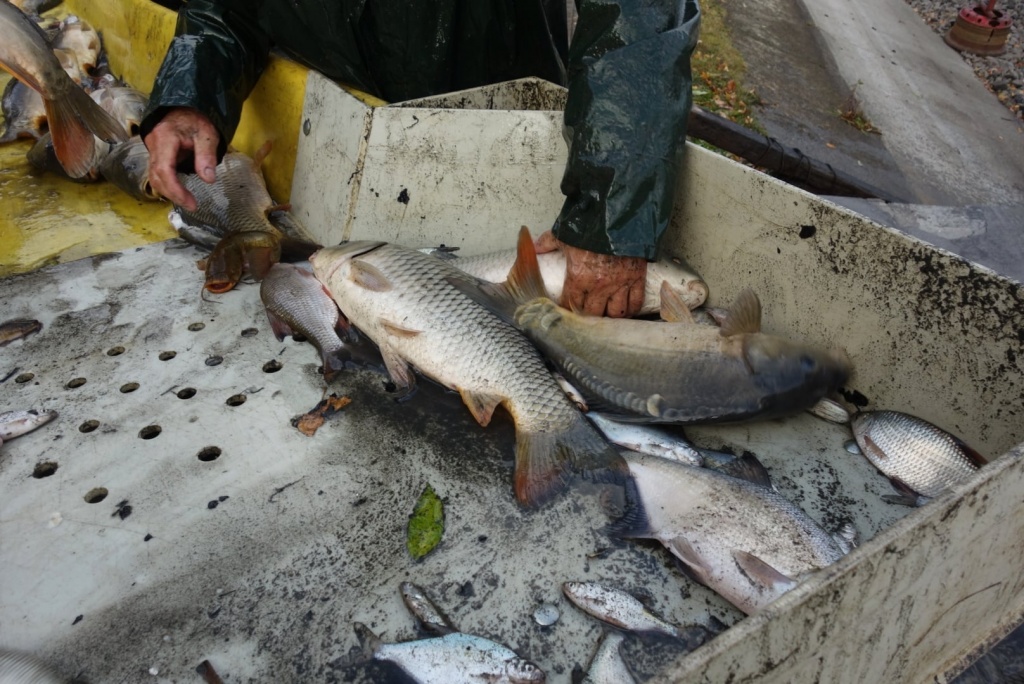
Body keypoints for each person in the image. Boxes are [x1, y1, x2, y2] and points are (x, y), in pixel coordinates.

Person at [141, 0, 700, 318]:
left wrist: (608, 212)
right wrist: (193, 92)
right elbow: (228, 9)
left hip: (515, 165)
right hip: (345, 162)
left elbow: (639, 21)